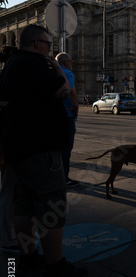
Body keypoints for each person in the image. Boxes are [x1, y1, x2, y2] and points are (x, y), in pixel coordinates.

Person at [0, 24, 87, 277]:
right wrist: (59, 67)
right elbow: (62, 91)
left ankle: (28, 258)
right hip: (41, 148)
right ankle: (54, 265)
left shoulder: (10, 67)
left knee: (23, 203)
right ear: (38, 44)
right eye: (49, 45)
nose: (50, 50)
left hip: (18, 148)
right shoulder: (38, 64)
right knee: (51, 204)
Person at [0, 46, 19, 253]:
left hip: (6, 144)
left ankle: (9, 237)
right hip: (13, 144)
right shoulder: (12, 80)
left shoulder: (3, 77)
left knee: (8, 189)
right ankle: (9, 239)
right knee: (12, 191)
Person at [55, 52, 79, 187]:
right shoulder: (68, 73)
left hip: (56, 115)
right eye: (70, 61)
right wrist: (76, 107)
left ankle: (56, 175)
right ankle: (64, 178)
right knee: (66, 148)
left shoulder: (53, 72)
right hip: (68, 115)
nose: (72, 64)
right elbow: (72, 91)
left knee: (57, 148)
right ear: (65, 63)